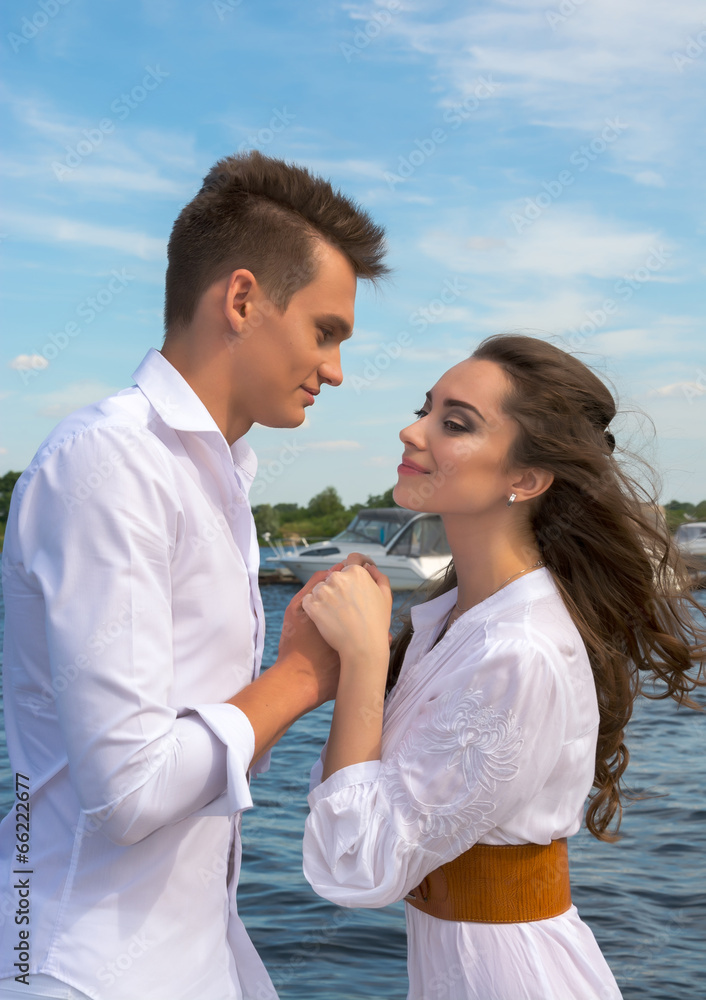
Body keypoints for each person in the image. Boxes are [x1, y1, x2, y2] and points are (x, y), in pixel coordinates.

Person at [0, 151, 387, 999]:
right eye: (326, 331)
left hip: (193, 949)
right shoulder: (111, 463)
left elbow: (199, 755)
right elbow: (132, 790)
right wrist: (299, 676)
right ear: (243, 300)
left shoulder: (218, 478)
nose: (335, 371)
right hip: (86, 965)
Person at [300, 335, 705, 1000]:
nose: (412, 430)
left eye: (453, 424)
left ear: (526, 479)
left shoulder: (518, 650)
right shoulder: (457, 620)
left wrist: (365, 661)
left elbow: (356, 868)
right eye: (424, 409)